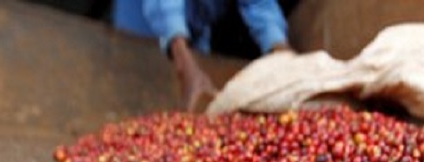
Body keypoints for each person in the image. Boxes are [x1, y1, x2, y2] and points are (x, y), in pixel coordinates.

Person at [113, 0, 294, 111]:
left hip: (194, 29)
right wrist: (184, 63)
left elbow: (258, 3)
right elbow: (164, 6)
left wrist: (281, 50)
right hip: (146, 31)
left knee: (192, 108)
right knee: (141, 107)